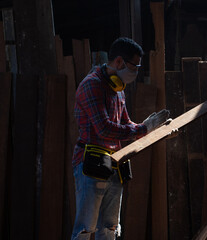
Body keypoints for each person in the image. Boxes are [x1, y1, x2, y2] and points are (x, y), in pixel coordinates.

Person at [71, 37, 169, 240]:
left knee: (109, 228)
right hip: (91, 164)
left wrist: (149, 127)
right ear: (118, 62)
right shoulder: (92, 86)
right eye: (134, 66)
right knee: (85, 230)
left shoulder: (118, 89)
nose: (136, 71)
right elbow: (105, 129)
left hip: (114, 163)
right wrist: (142, 129)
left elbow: (127, 124)